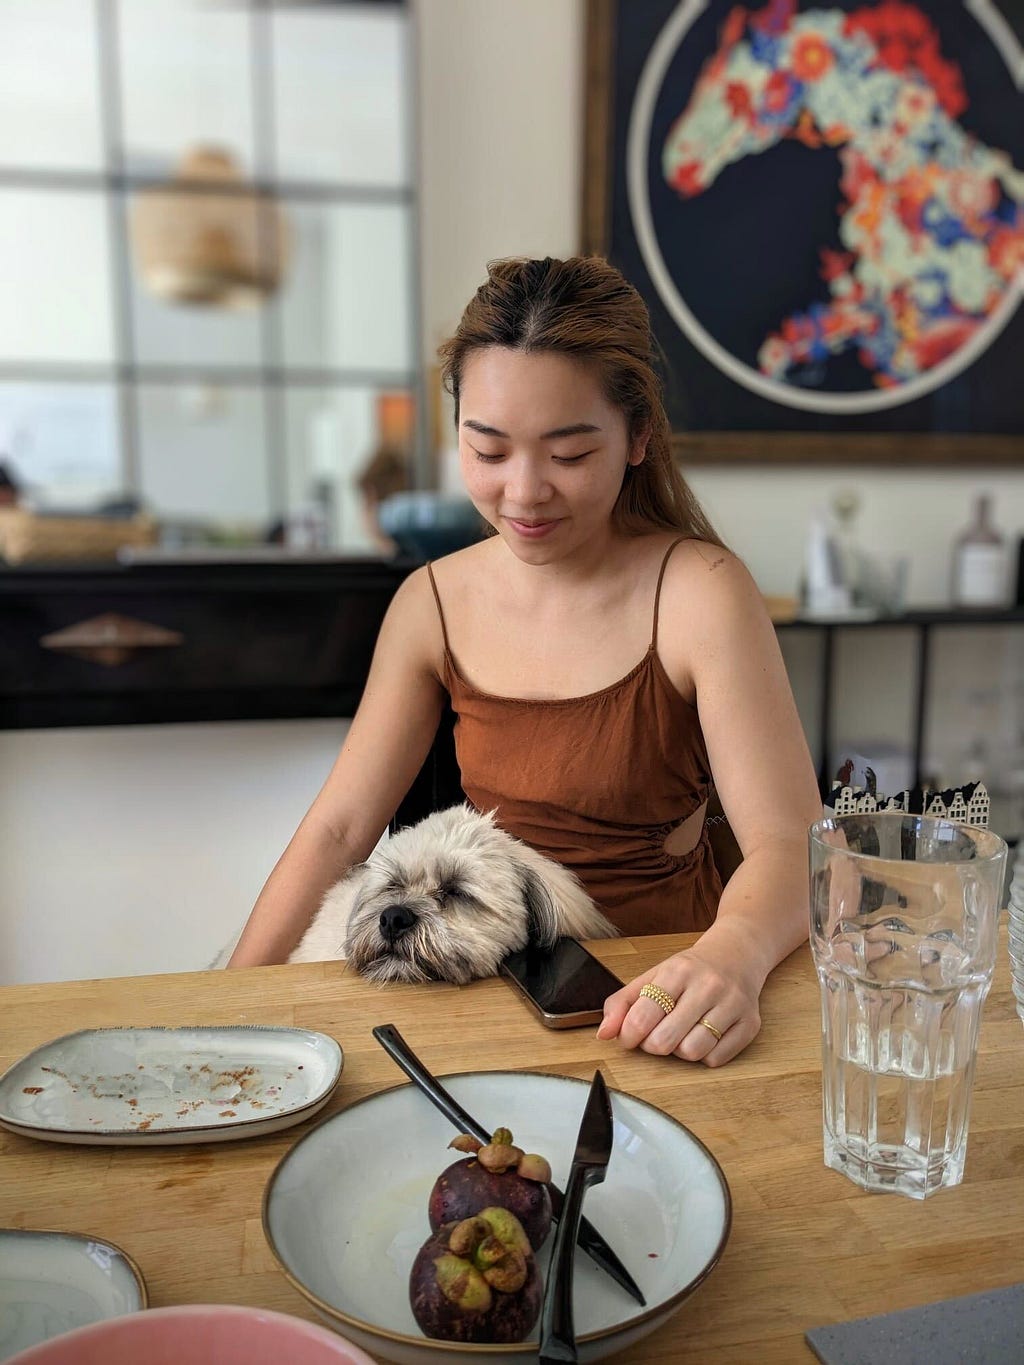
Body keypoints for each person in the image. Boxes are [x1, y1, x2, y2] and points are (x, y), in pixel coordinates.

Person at [228, 255, 822, 1067]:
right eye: (490, 450)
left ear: (638, 435)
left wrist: (734, 953)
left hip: (664, 993)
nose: (524, 492)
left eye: (570, 454)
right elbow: (336, 830)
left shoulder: (701, 592)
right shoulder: (431, 602)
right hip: (480, 996)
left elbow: (791, 842)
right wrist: (229, 1000)